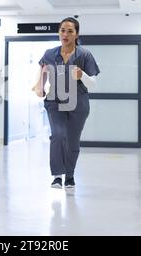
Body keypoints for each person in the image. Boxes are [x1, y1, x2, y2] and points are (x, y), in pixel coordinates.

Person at [32, 17, 100, 189]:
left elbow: (93, 83)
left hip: (79, 102)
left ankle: (69, 175)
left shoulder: (84, 54)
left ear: (76, 34)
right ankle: (57, 176)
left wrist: (82, 75)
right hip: (55, 101)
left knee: (72, 140)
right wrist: (39, 85)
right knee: (58, 135)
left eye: (70, 31)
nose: (65, 34)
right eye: (63, 30)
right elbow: (43, 68)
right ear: (59, 32)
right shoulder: (50, 53)